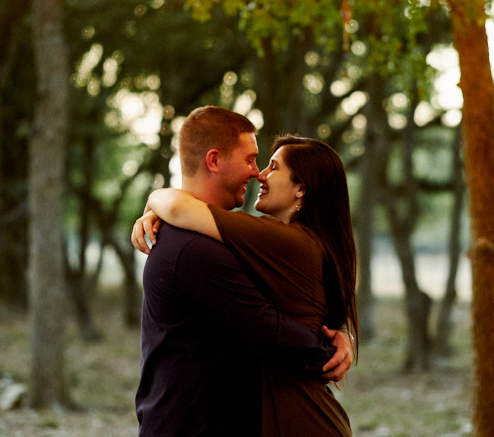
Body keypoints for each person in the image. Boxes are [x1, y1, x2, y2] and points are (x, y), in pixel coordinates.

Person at [133, 106, 353, 437]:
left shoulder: (267, 242)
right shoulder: (196, 247)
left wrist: (155, 200)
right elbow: (268, 326)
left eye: (268, 165)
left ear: (302, 189)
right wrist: (332, 346)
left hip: (289, 418)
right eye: (251, 160)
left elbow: (272, 324)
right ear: (214, 161)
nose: (258, 173)